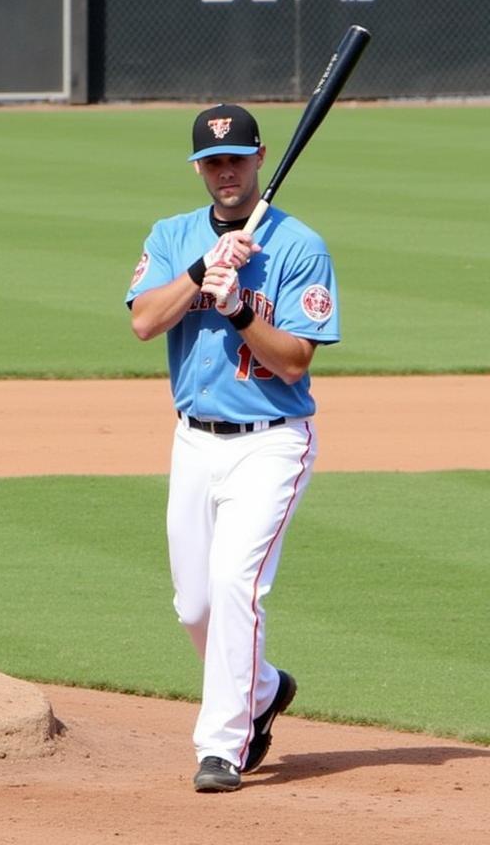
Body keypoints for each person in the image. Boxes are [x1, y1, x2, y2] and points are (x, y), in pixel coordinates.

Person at [125, 104, 339, 792]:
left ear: (259, 159)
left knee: (235, 585)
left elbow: (296, 363)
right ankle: (265, 689)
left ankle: (222, 744)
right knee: (194, 606)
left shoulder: (299, 245)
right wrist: (202, 270)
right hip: (193, 441)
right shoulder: (172, 235)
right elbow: (144, 322)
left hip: (271, 443)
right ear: (198, 169)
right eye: (212, 163)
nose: (225, 173)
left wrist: (238, 306)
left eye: (237, 160)